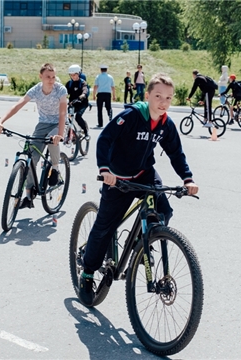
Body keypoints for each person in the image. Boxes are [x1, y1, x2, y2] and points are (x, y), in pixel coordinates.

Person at [78, 73, 199, 306]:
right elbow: (105, 139)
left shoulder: (166, 124)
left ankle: (143, 242)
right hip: (118, 178)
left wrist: (187, 179)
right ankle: (87, 274)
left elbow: (176, 153)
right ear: (147, 95)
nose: (163, 102)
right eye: (158, 96)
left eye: (168, 98)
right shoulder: (132, 116)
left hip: (144, 173)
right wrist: (105, 170)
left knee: (164, 210)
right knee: (105, 226)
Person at [0, 63, 67, 209]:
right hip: (42, 124)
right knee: (31, 159)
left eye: (53, 77)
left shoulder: (60, 90)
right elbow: (18, 105)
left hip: (56, 124)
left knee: (53, 141)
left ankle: (55, 167)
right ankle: (28, 195)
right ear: (41, 77)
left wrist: (59, 134)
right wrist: (1, 121)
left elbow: (62, 113)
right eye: (48, 77)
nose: (51, 80)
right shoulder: (35, 90)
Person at [65, 64, 90, 139]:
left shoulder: (82, 83)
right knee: (68, 117)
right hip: (73, 103)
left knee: (78, 117)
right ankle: (72, 133)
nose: (73, 76)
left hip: (82, 103)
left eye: (74, 74)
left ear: (78, 73)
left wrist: (82, 95)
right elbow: (64, 93)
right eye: (71, 75)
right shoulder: (69, 84)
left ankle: (86, 133)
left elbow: (85, 90)